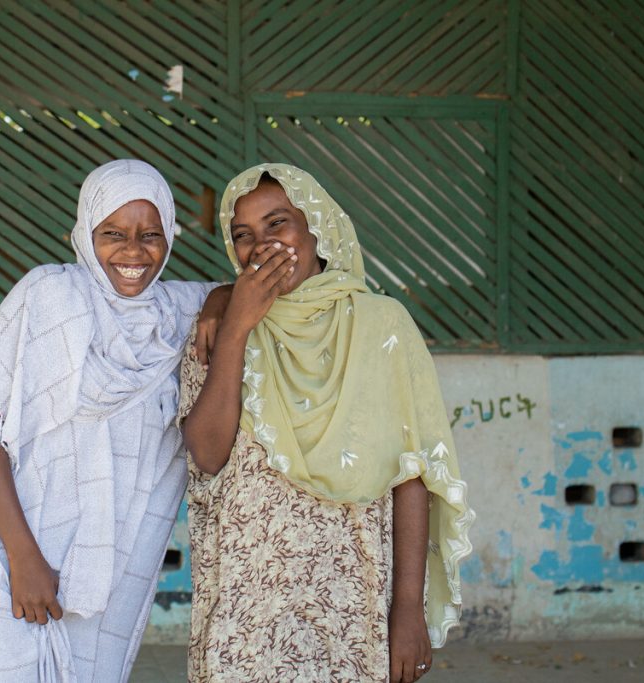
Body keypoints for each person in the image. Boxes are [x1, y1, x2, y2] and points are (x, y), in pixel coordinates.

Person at [179, 163, 474, 683]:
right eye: (243, 235)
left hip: (353, 604)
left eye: (278, 224)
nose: (262, 245)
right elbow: (206, 454)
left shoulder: (382, 326)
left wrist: (408, 608)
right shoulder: (217, 329)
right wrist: (237, 326)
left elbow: (411, 474)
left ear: (317, 226)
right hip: (248, 611)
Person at [0, 159, 224, 682]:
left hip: (102, 578)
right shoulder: (49, 296)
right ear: (84, 233)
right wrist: (23, 557)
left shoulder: (175, 313)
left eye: (150, 235)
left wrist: (216, 305)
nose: (133, 252)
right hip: (3, 559)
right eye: (112, 233)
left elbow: (234, 292)